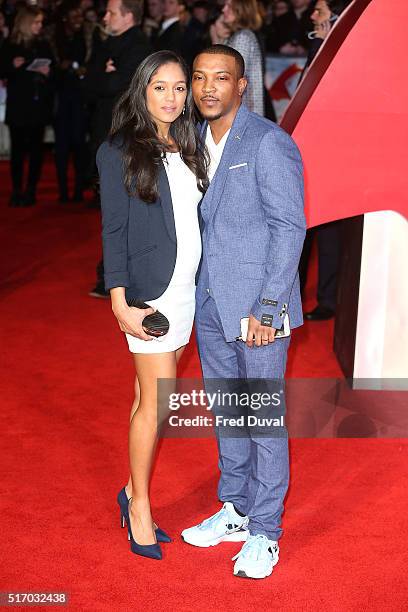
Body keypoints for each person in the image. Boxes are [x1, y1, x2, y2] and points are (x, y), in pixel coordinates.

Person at [181, 45, 305, 579]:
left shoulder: (269, 143)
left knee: (262, 420)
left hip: (258, 310)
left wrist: (269, 307)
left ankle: (265, 530)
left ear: (241, 85)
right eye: (200, 78)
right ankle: (234, 509)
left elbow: (289, 227)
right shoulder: (191, 141)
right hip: (208, 301)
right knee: (229, 415)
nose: (209, 87)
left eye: (221, 78)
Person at [96, 50, 208, 559]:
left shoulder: (190, 143)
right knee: (157, 403)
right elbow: (113, 230)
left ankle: (129, 488)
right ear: (142, 89)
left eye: (180, 87)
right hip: (150, 292)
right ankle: (139, 503)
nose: (171, 97)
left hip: (187, 288)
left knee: (150, 399)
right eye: (160, 87)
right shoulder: (119, 149)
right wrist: (119, 302)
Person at [83, 0, 151, 297]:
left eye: (111, 12)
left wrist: (104, 76)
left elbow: (118, 86)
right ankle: (111, 275)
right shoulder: (108, 44)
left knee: (122, 211)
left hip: (125, 139)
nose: (105, 16)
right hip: (105, 137)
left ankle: (114, 277)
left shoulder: (139, 47)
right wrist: (102, 74)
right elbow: (90, 83)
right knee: (112, 210)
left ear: (127, 16)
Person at [298, 0, 351, 320]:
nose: (312, 17)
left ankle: (328, 299)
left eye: (319, 12)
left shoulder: (344, 54)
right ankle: (295, 290)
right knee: (298, 227)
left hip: (334, 155)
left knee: (329, 232)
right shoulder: (318, 47)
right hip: (307, 151)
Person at [1, 5, 53, 206]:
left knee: (36, 151)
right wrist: (11, 66)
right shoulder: (10, 45)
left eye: (41, 22)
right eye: (36, 22)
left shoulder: (43, 44)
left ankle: (31, 189)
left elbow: (54, 71)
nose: (40, 26)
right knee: (17, 151)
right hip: (18, 105)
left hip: (37, 104)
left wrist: (48, 73)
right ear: (25, 22)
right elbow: (2, 70)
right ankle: (16, 190)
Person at [52, 2, 89, 203]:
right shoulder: (55, 38)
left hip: (80, 100)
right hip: (61, 101)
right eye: (74, 17)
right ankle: (63, 191)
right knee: (62, 148)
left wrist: (84, 71)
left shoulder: (85, 37)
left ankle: (77, 190)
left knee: (79, 146)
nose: (79, 21)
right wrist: (61, 68)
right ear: (65, 18)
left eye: (80, 17)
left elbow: (89, 63)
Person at [222, 0, 265, 116]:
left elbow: (232, 75)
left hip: (243, 111)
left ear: (242, 9)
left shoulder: (242, 37)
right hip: (241, 110)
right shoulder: (239, 36)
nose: (223, 10)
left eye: (229, 6)